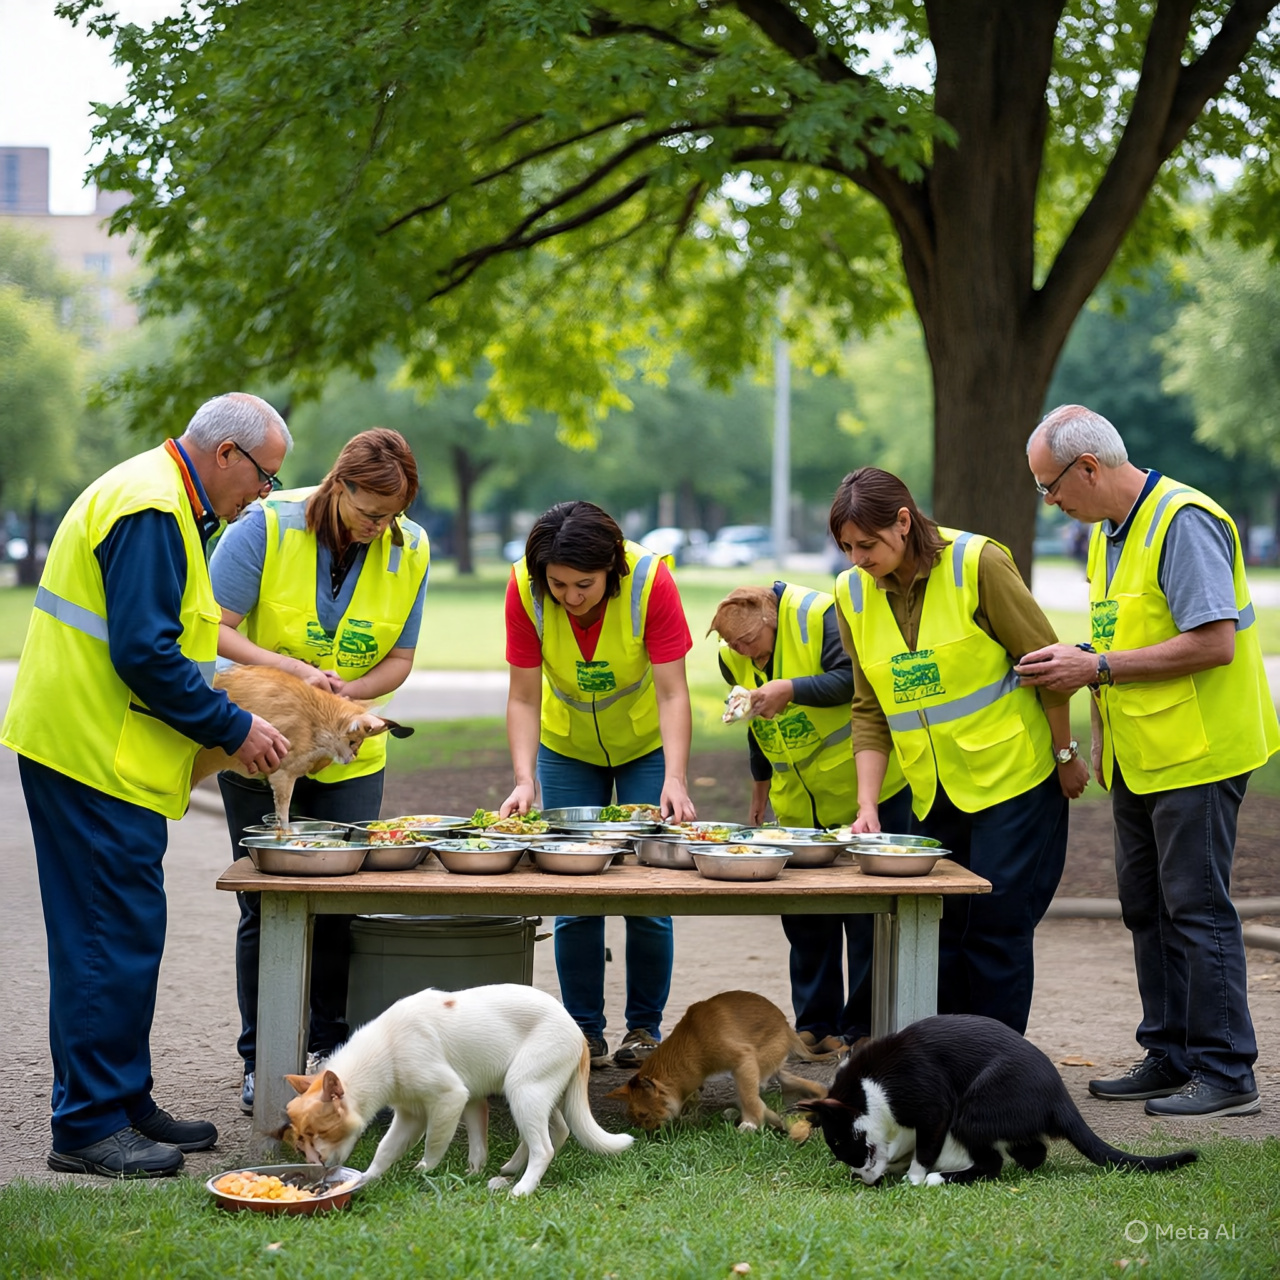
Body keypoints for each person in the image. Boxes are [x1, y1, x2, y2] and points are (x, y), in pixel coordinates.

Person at [2, 394, 293, 1177]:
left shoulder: (165, 500)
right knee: (107, 939)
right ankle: (91, 1124)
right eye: (265, 478)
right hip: (93, 754)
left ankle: (124, 1101)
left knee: (124, 934)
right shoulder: (153, 507)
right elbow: (146, 653)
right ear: (225, 455)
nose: (262, 495)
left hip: (103, 751)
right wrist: (235, 728)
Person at [1019, 405, 1279, 1117]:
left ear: (1090, 468)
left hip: (1199, 750)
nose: (1051, 501)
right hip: (1143, 755)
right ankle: (1170, 1054)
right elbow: (1118, 635)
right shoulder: (1108, 534)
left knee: (1196, 909)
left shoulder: (1182, 521)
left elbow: (1212, 643)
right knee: (1146, 907)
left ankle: (1228, 1072)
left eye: (1051, 486)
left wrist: (1094, 671)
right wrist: (1101, 726)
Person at [209, 428, 430, 1115]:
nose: (377, 530)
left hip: (348, 746)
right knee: (266, 903)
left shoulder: (410, 547)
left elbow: (399, 659)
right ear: (339, 486)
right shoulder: (262, 528)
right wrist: (301, 676)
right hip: (260, 734)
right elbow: (213, 626)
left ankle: (333, 1056)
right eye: (369, 513)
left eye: (390, 517)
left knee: (341, 905)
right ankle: (262, 1058)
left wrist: (346, 705)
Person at [831, 466, 1089, 1034]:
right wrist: (867, 806)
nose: (857, 558)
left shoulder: (979, 563)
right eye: (847, 547)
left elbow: (1046, 665)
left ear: (903, 522)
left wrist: (1065, 755)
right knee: (937, 927)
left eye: (866, 544)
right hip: (934, 789)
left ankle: (996, 1070)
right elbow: (869, 708)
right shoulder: (850, 593)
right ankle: (942, 1060)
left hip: (1013, 778)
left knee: (996, 927)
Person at [499, 501, 697, 1067]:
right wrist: (523, 778)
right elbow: (522, 695)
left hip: (644, 747)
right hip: (566, 750)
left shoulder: (651, 581)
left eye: (584, 584)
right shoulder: (525, 587)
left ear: (612, 568)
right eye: (558, 584)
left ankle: (644, 1030)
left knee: (648, 892)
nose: (571, 597)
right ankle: (584, 1031)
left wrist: (676, 779)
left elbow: (673, 692)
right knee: (575, 895)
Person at [709, 584, 913, 1051]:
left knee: (867, 921)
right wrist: (759, 792)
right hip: (798, 805)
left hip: (868, 792)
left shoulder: (819, 616)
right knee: (806, 918)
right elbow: (754, 724)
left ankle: (862, 1029)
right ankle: (816, 1025)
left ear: (769, 620)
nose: (742, 653)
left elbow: (854, 681)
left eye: (747, 642)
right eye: (732, 645)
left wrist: (792, 689)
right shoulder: (733, 656)